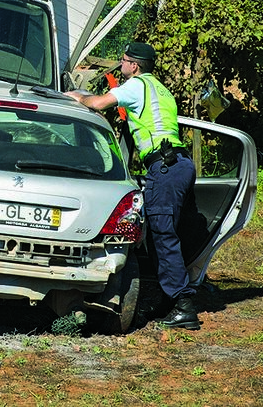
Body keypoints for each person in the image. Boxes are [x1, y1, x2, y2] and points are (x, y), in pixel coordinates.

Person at [66, 42, 200, 330]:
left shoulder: (136, 85)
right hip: (179, 164)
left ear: (134, 65)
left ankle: (183, 305)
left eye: (124, 60)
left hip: (165, 167)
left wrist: (77, 96)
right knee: (164, 234)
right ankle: (170, 299)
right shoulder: (160, 88)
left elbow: (97, 103)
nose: (121, 64)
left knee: (163, 235)